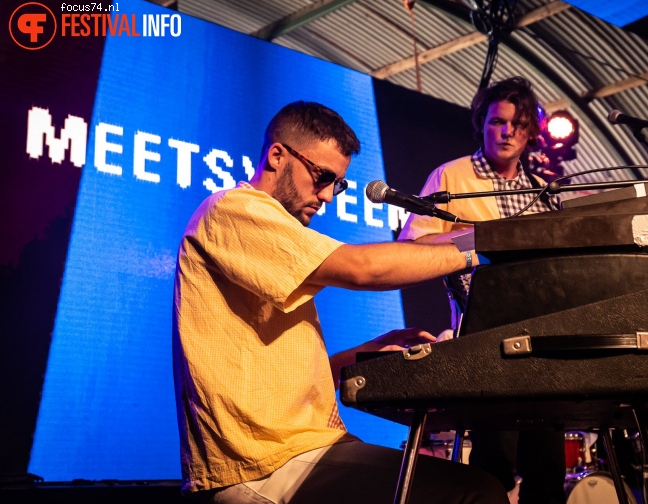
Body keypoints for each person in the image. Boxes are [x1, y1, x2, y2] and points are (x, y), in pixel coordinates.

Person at [172, 101, 508, 504]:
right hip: (263, 465)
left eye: (339, 183)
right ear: (278, 155)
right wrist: (484, 244)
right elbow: (361, 268)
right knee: (478, 493)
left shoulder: (267, 233)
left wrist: (359, 357)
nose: (329, 195)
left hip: (295, 453)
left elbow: (271, 379)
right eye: (323, 176)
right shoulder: (235, 210)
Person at [398, 76, 567, 504]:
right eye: (496, 122)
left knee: (548, 469)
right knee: (493, 466)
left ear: (529, 133)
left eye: (516, 124)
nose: (506, 131)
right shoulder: (452, 176)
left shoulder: (540, 191)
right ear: (482, 125)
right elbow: (409, 246)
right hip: (484, 342)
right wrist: (477, 238)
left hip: (542, 344)